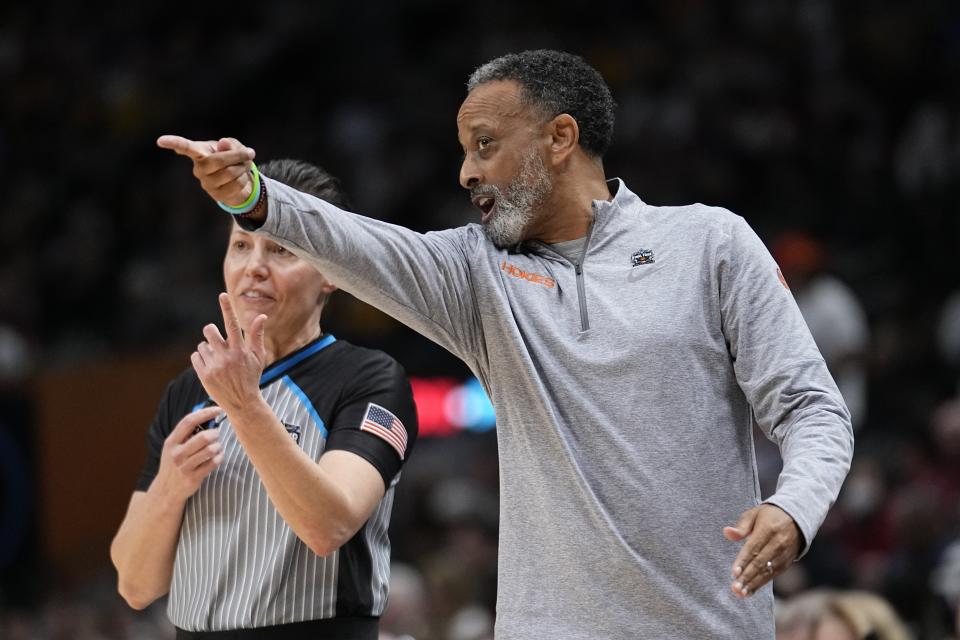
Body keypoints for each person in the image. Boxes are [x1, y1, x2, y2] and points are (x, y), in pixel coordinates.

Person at [158, 49, 854, 638]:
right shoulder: (475, 275)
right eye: (465, 152)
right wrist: (250, 193)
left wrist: (794, 508)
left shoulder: (709, 243)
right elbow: (357, 244)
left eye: (485, 146)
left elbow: (815, 412)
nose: (467, 173)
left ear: (559, 138)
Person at [110, 159, 418, 639]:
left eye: (281, 249)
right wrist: (170, 488)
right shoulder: (188, 391)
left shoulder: (370, 378)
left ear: (333, 271)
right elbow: (134, 584)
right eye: (240, 245)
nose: (254, 267)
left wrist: (245, 407)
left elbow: (328, 526)